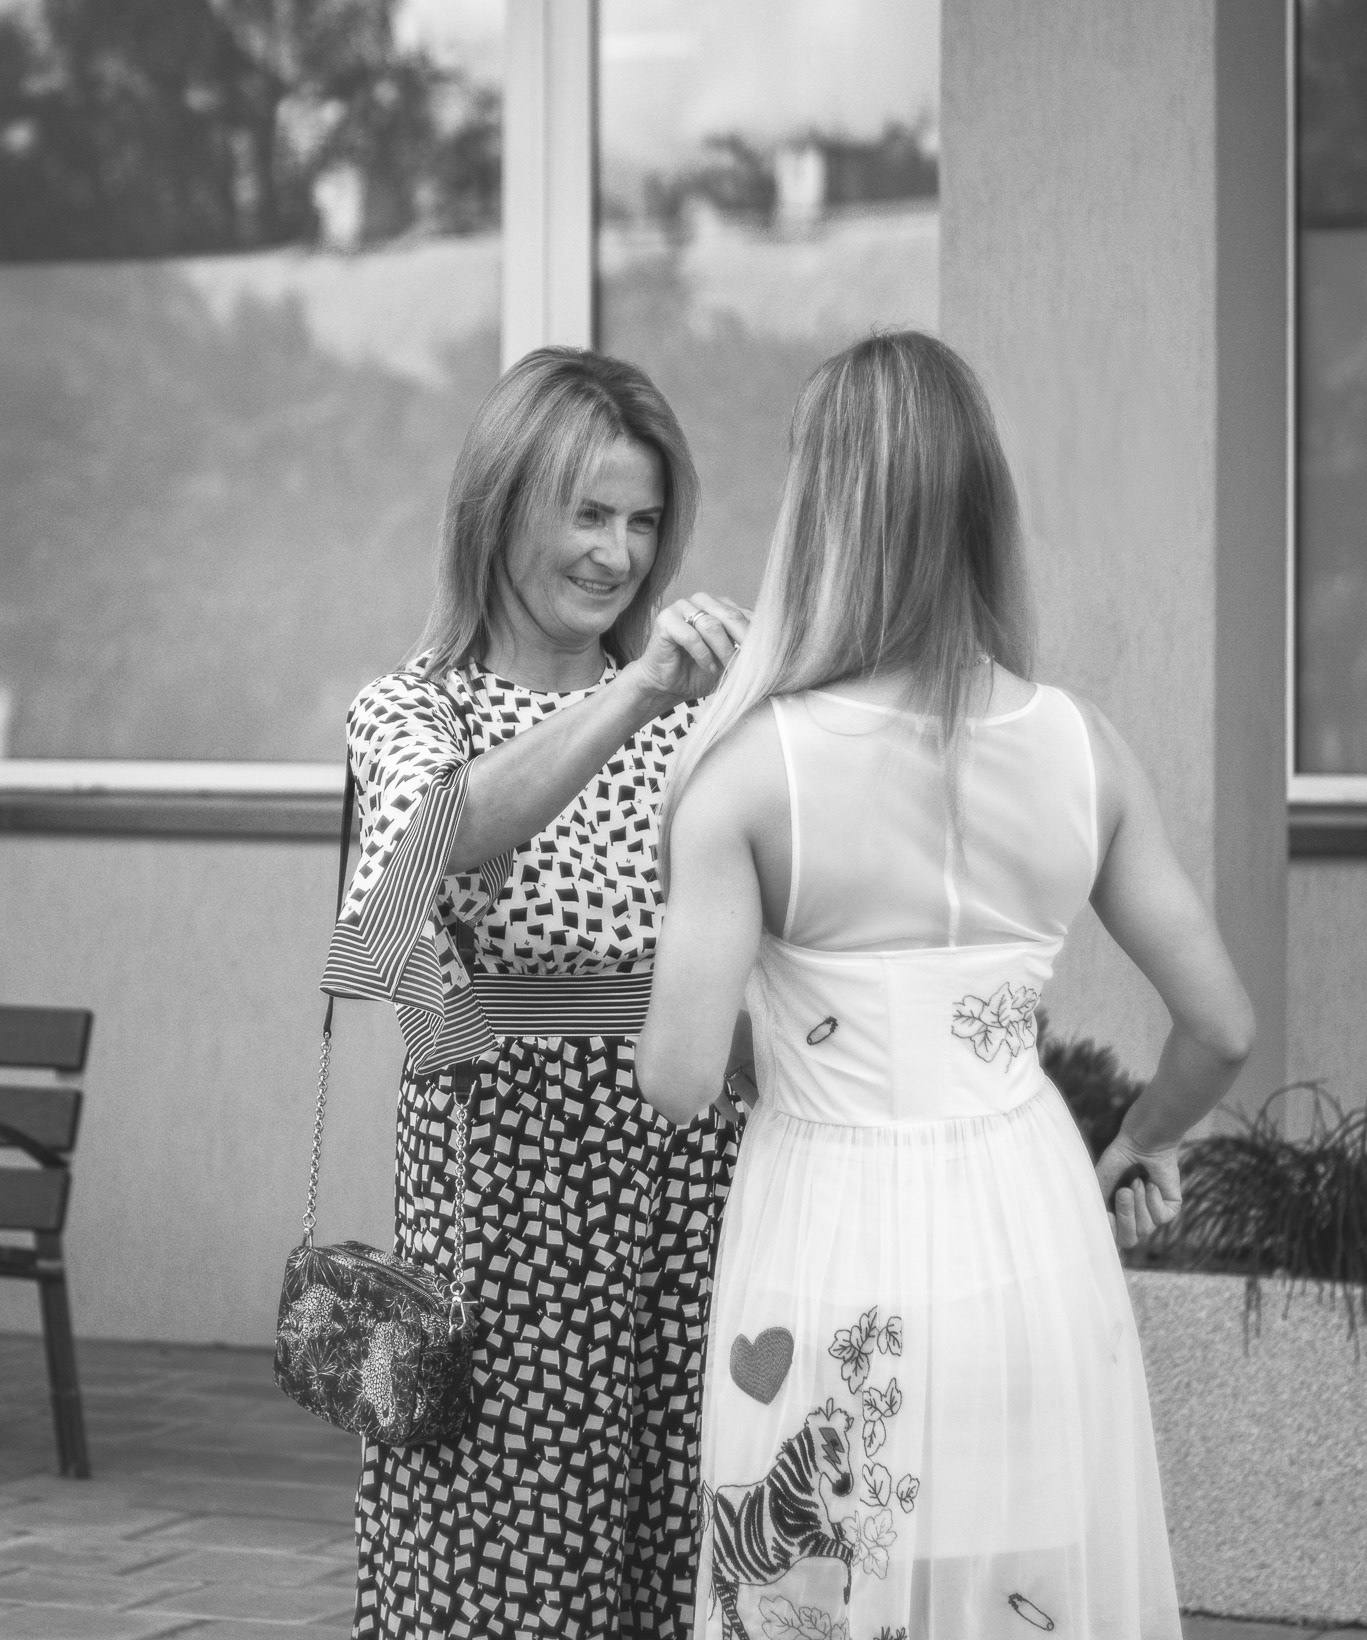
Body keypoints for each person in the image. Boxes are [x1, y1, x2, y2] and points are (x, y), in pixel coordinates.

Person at [636, 329, 1255, 1640]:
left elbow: (678, 1080)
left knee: (818, 1596)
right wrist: (1142, 1140)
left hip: (828, 1235)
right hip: (1028, 1235)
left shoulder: (747, 770)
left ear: (821, 511)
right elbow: (1220, 1026)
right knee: (1008, 1595)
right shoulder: (1081, 747)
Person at [325, 347, 749, 1640]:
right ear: (502, 505)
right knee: (506, 1533)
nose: (620, 554)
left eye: (644, 521)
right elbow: (439, 844)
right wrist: (640, 691)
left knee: (685, 1516)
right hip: (504, 1173)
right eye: (589, 513)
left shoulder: (705, 713)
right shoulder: (414, 708)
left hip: (692, 1156)